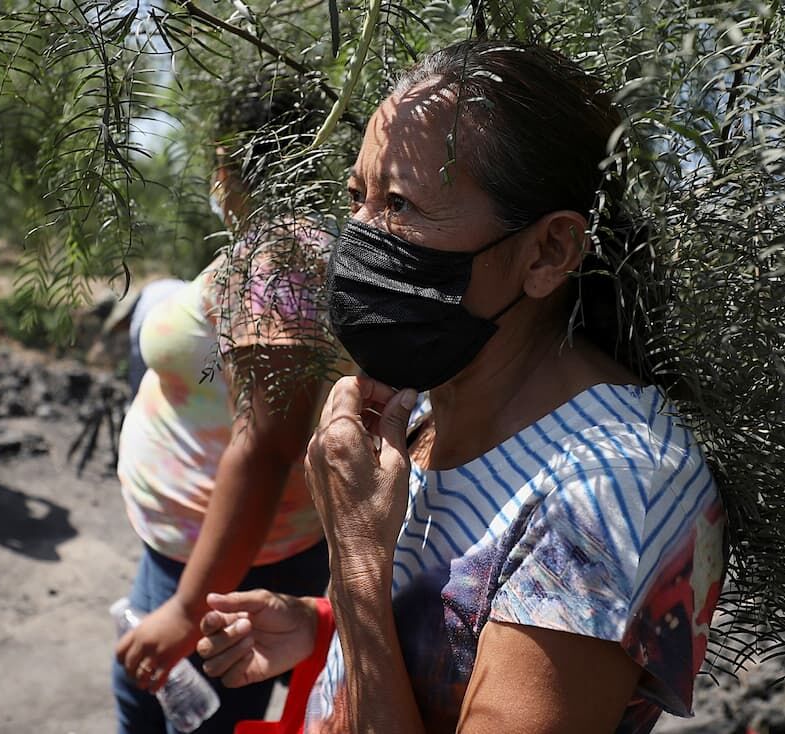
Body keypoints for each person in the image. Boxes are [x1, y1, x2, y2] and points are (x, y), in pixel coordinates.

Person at [196, 40, 727, 734]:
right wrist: (323, 624)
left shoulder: (613, 493)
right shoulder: (433, 399)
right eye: (356, 197)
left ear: (548, 252)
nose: (355, 240)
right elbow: (457, 626)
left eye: (399, 203)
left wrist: (356, 568)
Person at [111, 79, 335, 734]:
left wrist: (186, 607)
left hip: (219, 569)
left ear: (226, 161)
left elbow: (267, 444)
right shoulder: (284, 248)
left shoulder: (280, 260)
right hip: (207, 553)